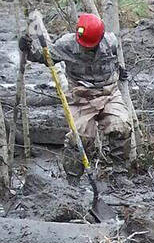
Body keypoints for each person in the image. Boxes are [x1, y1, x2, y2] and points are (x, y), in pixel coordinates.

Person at [20, 13, 132, 172]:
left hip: (109, 93)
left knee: (121, 126)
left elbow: (116, 60)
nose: (86, 47)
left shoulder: (111, 42)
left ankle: (120, 171)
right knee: (79, 138)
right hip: (81, 97)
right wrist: (28, 49)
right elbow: (44, 57)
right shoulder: (66, 44)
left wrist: (119, 70)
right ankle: (73, 180)